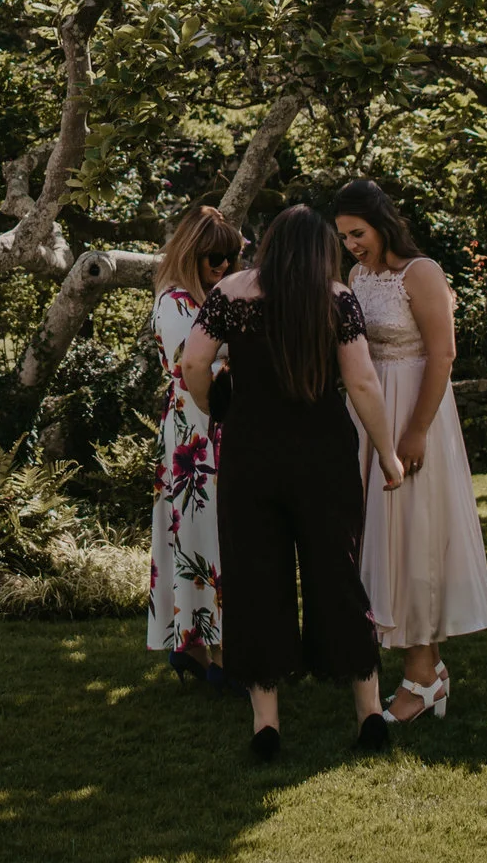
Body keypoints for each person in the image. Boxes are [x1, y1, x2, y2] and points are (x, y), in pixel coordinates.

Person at [178, 205, 407, 761]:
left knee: (257, 582)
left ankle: (266, 726)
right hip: (324, 457)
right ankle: (370, 713)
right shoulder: (335, 298)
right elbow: (361, 382)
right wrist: (389, 453)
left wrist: (214, 405)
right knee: (338, 576)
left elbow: (192, 363)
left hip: (252, 458)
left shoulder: (231, 290)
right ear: (320, 250)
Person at [332, 178, 487, 727]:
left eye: (358, 233)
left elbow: (443, 353)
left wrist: (417, 431)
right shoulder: (357, 276)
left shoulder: (421, 272)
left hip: (416, 407)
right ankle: (427, 670)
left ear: (381, 222)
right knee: (379, 537)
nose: (352, 245)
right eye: (344, 237)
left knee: (414, 535)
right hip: (371, 410)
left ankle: (422, 676)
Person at [146, 205, 243, 681]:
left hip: (215, 425)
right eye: (213, 256)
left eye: (229, 256)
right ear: (191, 253)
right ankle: (211, 649)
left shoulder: (208, 295)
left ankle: (201, 647)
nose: (223, 265)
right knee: (201, 536)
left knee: (217, 534)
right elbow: (195, 367)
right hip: (195, 429)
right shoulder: (176, 301)